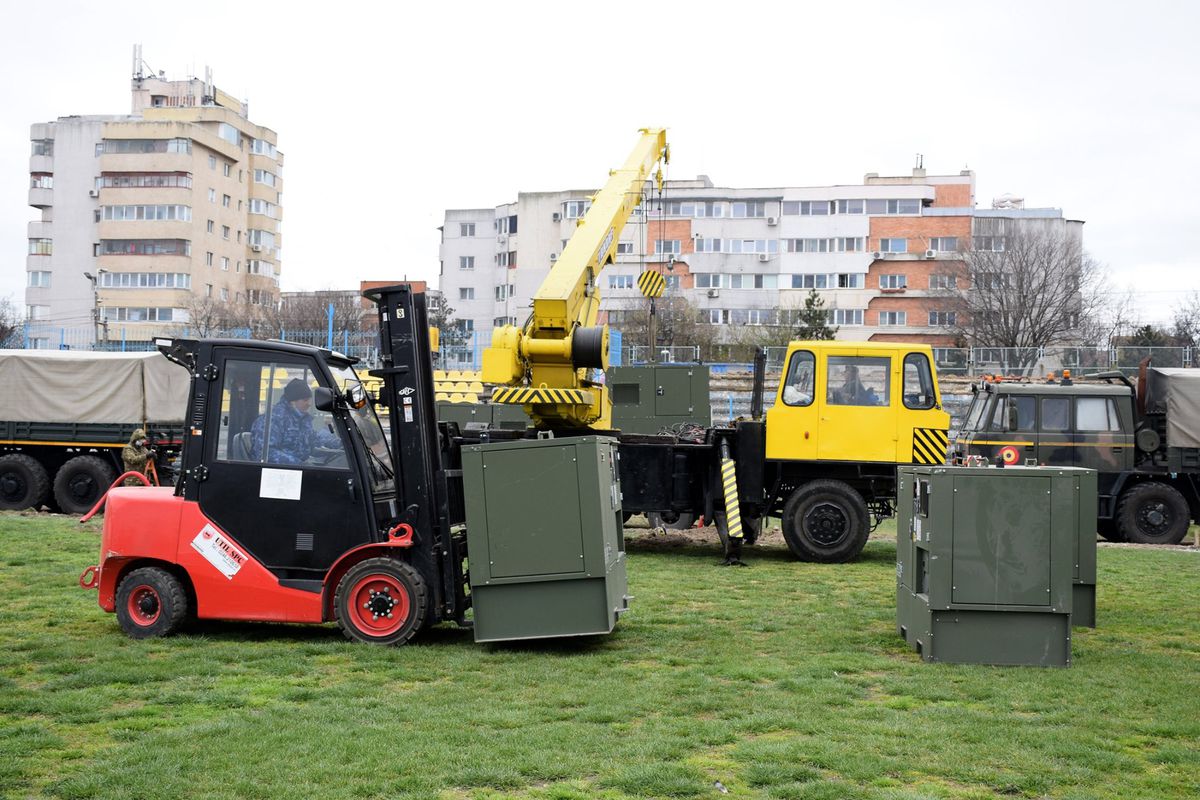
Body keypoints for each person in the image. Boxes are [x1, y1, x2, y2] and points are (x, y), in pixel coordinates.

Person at [250, 379, 342, 465]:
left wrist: (340, 444)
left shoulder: (302, 420)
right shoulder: (272, 420)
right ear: (292, 401)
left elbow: (315, 439)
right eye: (305, 400)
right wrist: (299, 464)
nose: (309, 404)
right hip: (279, 473)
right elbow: (265, 453)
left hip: (299, 469)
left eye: (309, 399)